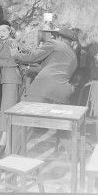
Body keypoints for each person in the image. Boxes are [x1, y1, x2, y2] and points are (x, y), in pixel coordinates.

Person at [11, 27, 78, 155]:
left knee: (25, 123)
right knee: (63, 126)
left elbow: (32, 57)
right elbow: (54, 69)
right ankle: (75, 157)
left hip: (43, 88)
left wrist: (16, 54)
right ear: (71, 41)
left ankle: (13, 157)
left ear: (59, 37)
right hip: (62, 93)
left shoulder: (54, 44)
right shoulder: (73, 56)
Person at [0, 20, 22, 155]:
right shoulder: (4, 43)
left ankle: (4, 143)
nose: (1, 34)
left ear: (9, 30)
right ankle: (4, 141)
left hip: (12, 79)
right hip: (7, 79)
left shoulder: (11, 43)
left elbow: (16, 60)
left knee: (7, 110)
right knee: (6, 109)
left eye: (3, 31)